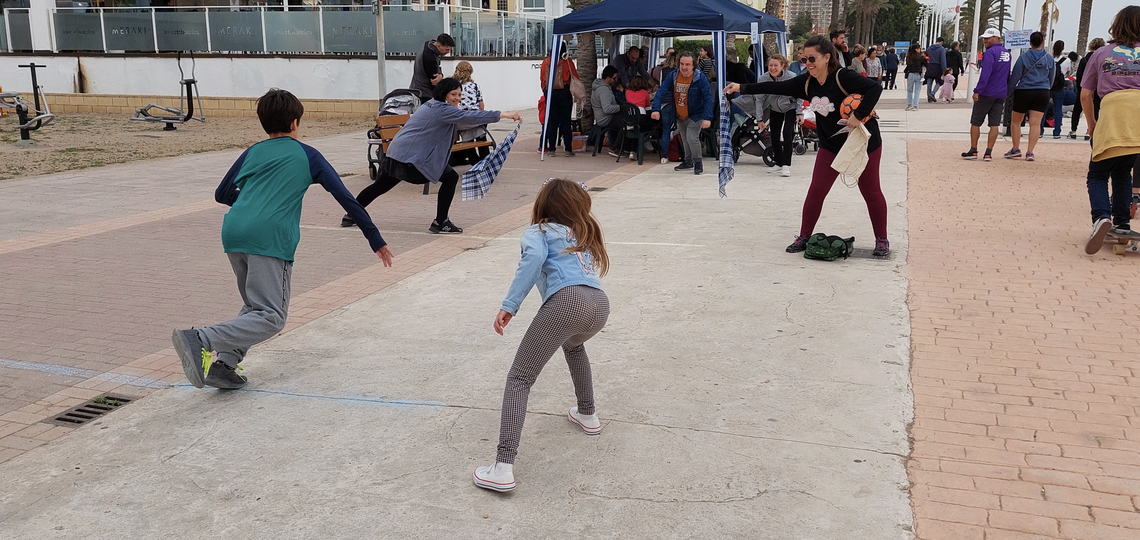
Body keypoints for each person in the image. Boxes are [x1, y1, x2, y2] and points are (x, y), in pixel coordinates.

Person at [172, 89, 395, 390]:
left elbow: (222, 193)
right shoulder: (308, 155)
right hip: (270, 237)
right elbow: (345, 197)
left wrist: (253, 202)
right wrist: (374, 238)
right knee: (272, 316)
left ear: (265, 124)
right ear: (294, 123)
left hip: (234, 232)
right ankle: (200, 338)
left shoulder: (253, 151)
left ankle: (224, 363)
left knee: (255, 305)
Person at [473, 178, 611, 493]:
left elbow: (531, 265)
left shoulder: (539, 232)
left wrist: (510, 306)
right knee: (574, 348)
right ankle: (587, 413)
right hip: (600, 305)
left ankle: (502, 467)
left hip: (567, 303)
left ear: (543, 205)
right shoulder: (582, 232)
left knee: (520, 378)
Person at [724, 34, 890, 257]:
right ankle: (804, 235)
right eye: (804, 60)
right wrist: (741, 87)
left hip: (862, 143)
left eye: (812, 59)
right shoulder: (806, 83)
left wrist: (858, 115)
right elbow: (778, 88)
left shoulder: (843, 76)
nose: (808, 64)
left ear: (826, 58)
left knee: (870, 191)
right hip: (830, 145)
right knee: (816, 190)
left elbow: (874, 89)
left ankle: (881, 239)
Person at [343, 79, 521, 233]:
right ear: (444, 94)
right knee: (450, 177)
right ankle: (440, 222)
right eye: (454, 94)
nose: (457, 98)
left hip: (399, 153)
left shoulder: (434, 105)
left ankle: (351, 214)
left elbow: (461, 121)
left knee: (380, 186)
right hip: (410, 158)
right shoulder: (442, 109)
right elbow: (470, 116)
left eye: (459, 94)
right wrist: (503, 114)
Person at [1080, 5, 1140, 253]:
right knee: (1124, 171)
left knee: (1097, 173)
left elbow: (1085, 95)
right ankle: (1123, 224)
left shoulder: (1102, 53)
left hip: (1113, 111)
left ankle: (1101, 218)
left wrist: (1092, 126)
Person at [652, 52, 714, 175]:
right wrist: (655, 108)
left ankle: (698, 162)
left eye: (687, 64)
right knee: (685, 138)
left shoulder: (700, 78)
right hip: (679, 114)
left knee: (692, 137)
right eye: (682, 64)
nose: (684, 67)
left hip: (696, 113)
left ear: (693, 66)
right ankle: (688, 160)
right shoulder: (673, 76)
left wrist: (707, 118)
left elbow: (708, 98)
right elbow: (661, 91)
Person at [961, 28, 1011, 162]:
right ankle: (988, 152)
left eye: (988, 38)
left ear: (996, 38)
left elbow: (985, 74)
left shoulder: (990, 53)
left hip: (987, 92)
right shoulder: (1007, 53)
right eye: (984, 38)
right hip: (1000, 93)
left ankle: (973, 150)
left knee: (975, 122)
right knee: (994, 124)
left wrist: (977, 90)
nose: (985, 41)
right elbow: (1007, 75)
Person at [1005, 31, 1054, 161]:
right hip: (1042, 92)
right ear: (1043, 41)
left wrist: (1007, 93)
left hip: (1024, 91)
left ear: (1030, 42)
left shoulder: (1023, 57)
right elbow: (1052, 77)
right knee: (1035, 123)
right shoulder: (1049, 58)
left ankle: (1016, 148)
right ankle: (1030, 152)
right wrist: (1047, 88)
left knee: (1016, 121)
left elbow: (1015, 77)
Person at [754, 54, 803, 177]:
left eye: (776, 65)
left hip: (790, 107)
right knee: (774, 135)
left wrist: (799, 112)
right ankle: (779, 162)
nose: (773, 68)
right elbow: (759, 99)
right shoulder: (763, 78)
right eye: (770, 65)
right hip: (775, 108)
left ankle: (786, 165)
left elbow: (800, 95)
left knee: (787, 133)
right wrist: (759, 119)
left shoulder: (792, 77)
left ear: (783, 66)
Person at [541, 46, 580, 157]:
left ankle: (552, 149)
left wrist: (546, 92)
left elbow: (542, 80)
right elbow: (575, 77)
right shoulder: (567, 62)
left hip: (551, 94)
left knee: (552, 123)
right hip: (565, 93)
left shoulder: (545, 62)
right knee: (566, 122)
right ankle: (568, 149)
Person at [1070, 37, 1105, 140]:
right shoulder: (1102, 58)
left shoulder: (1084, 59)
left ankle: (1073, 130)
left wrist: (1079, 89)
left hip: (1084, 88)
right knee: (1095, 109)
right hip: (1098, 89)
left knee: (1077, 110)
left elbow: (1079, 75)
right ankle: (1089, 131)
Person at [410, 33, 455, 103]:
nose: (448, 52)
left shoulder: (427, 44)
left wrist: (440, 75)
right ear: (439, 46)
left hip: (416, 88)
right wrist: (440, 78)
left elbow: (437, 70)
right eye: (446, 50)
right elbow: (435, 81)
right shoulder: (429, 58)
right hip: (424, 94)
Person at [591, 65, 623, 157]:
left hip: (602, 117)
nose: (615, 80)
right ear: (608, 78)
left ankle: (618, 145)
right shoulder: (604, 90)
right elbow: (607, 109)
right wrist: (621, 107)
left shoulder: (598, 86)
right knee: (626, 123)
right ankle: (616, 147)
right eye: (614, 78)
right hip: (606, 118)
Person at [1047, 40, 1070, 139]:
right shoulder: (1067, 60)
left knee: (1043, 108)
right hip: (1060, 86)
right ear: (1063, 48)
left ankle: (1040, 131)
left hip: (1048, 86)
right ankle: (1056, 132)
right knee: (1058, 109)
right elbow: (1068, 73)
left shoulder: (1049, 58)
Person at [904, 44, 927, 111]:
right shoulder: (921, 57)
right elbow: (927, 64)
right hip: (919, 75)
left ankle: (909, 104)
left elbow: (908, 66)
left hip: (910, 74)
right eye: (919, 48)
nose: (920, 50)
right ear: (916, 49)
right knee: (917, 91)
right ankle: (915, 105)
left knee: (909, 91)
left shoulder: (909, 57)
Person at [925, 37, 948, 103]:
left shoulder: (929, 48)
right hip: (938, 66)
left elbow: (927, 57)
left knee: (929, 81)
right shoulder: (941, 49)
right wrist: (944, 69)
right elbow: (943, 60)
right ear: (941, 42)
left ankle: (929, 95)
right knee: (939, 81)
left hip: (930, 65)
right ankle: (932, 93)